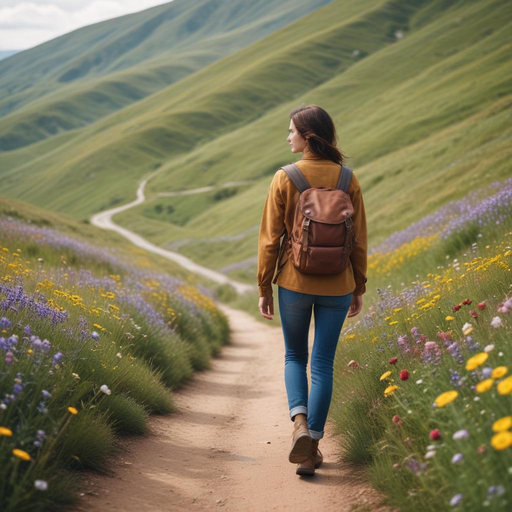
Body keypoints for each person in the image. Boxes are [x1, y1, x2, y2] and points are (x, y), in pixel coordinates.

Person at [256, 104, 368, 476]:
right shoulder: (347, 178)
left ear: (308, 136)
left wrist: (264, 286)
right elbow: (360, 239)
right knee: (322, 364)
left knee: (294, 357)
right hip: (338, 283)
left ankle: (299, 426)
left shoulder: (285, 177)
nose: (288, 137)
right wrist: (358, 285)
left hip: (293, 283)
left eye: (291, 131)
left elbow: (271, 240)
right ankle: (311, 449)